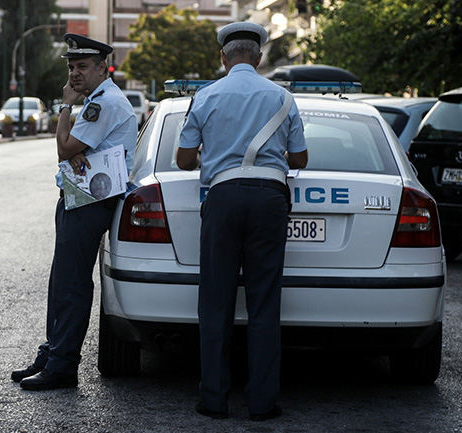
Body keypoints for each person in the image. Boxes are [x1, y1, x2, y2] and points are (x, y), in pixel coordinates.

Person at [175, 22, 308, 420]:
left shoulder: (206, 96)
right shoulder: (283, 97)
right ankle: (263, 403)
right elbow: (300, 159)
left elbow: (183, 159)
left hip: (223, 198)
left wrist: (217, 155)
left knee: (215, 302)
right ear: (259, 57)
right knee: (264, 303)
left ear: (223, 58)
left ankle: (213, 400)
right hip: (270, 200)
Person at [11, 33, 137, 391]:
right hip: (78, 196)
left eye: (82, 66)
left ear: (102, 68)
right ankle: (52, 353)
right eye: (71, 67)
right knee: (60, 282)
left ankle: (63, 366)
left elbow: (65, 149)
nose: (74, 74)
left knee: (71, 285)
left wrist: (65, 108)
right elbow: (73, 150)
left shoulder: (103, 102)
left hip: (89, 202)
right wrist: (76, 149)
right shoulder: (99, 99)